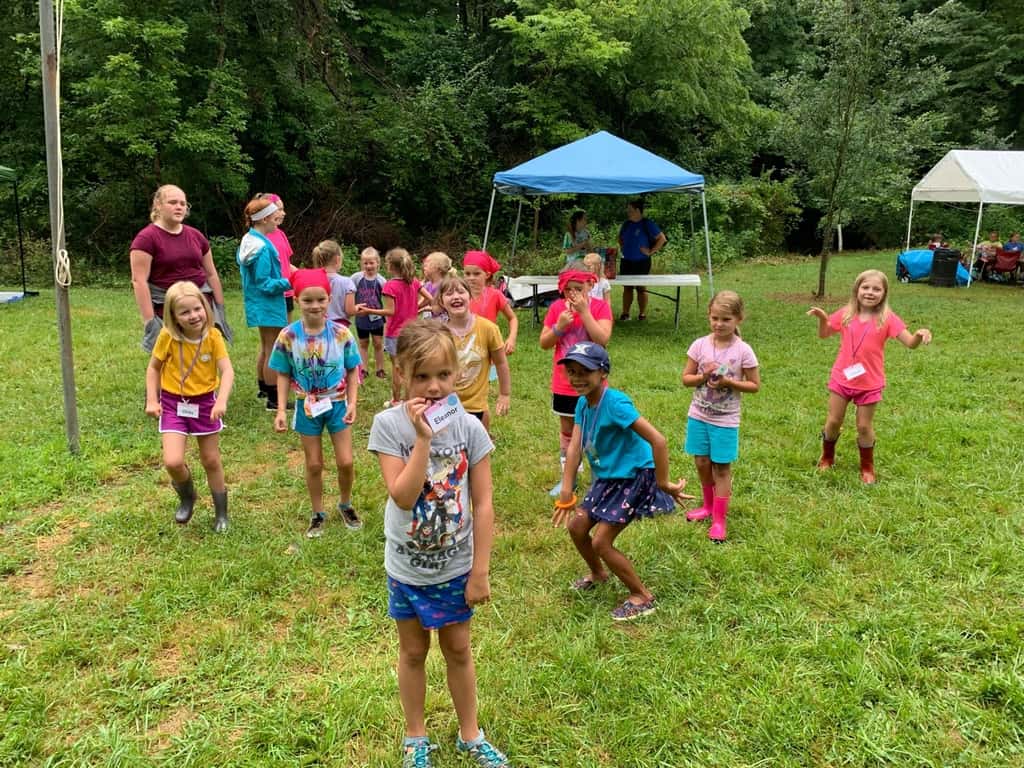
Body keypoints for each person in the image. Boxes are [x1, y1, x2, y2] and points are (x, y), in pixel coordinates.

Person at [367, 319, 510, 768]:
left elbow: (484, 504)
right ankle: (416, 736)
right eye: (421, 376)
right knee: (412, 651)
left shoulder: (470, 429)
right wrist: (424, 441)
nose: (433, 387)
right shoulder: (389, 426)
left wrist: (480, 570)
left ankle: (471, 734)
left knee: (459, 649)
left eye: (442, 375)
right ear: (401, 372)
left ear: (458, 375)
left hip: (455, 567)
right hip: (408, 567)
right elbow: (403, 494)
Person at [553, 342, 691, 621]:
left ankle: (642, 596)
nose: (577, 378)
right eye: (571, 371)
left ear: (603, 373)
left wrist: (663, 483)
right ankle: (598, 574)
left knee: (601, 542)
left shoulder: (615, 403)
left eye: (584, 372)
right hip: (606, 477)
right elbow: (575, 448)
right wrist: (566, 491)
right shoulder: (582, 403)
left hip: (633, 477)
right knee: (578, 528)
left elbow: (658, 440)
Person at [807, 270, 932, 484]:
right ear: (857, 290)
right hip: (842, 378)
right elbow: (824, 334)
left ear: (884, 293)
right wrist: (822, 319)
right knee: (834, 420)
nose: (870, 292)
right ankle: (827, 457)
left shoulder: (888, 319)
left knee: (864, 426)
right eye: (865, 288)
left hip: (870, 382)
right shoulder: (846, 313)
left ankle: (867, 467)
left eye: (876, 289)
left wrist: (920, 335)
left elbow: (910, 344)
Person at [270, 269, 363, 538]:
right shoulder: (288, 336)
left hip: (337, 405)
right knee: (314, 464)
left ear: (329, 298)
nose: (315, 306)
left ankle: (345, 504)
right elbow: (283, 373)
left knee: (345, 461)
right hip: (306, 407)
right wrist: (280, 410)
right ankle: (317, 513)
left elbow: (353, 369)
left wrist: (353, 403)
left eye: (320, 300)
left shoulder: (341, 334)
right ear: (297, 299)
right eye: (307, 300)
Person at [144, 281, 234, 532]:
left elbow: (226, 371)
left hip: (205, 404)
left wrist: (222, 400)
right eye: (184, 312)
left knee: (211, 459)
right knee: (173, 461)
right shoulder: (167, 337)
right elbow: (153, 368)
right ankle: (187, 495)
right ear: (173, 316)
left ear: (205, 308)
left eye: (197, 309)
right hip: (174, 404)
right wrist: (152, 399)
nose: (193, 316)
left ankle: (221, 513)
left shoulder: (213, 337)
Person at [681, 291, 761, 542]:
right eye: (714, 318)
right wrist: (704, 377)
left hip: (725, 420)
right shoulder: (699, 345)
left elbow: (754, 385)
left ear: (739, 319)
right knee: (702, 463)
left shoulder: (743, 351)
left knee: (722, 468)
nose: (719, 324)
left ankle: (719, 519)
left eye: (726, 319)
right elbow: (686, 379)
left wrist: (728, 382)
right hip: (699, 415)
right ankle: (706, 506)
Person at [539, 264, 613, 496]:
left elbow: (602, 339)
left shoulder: (600, 308)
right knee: (567, 429)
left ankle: (599, 477)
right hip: (564, 383)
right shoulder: (556, 309)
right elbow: (544, 343)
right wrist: (559, 327)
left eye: (578, 288)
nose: (573, 294)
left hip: (593, 383)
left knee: (596, 429)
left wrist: (585, 314)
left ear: (590, 285)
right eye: (568, 289)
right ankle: (568, 477)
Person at [130, 185, 228, 352]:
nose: (179, 207)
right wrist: (149, 320)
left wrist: (219, 308)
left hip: (201, 308)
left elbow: (211, 273)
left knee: (205, 358)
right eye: (173, 202)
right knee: (174, 362)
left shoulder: (196, 235)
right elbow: (139, 281)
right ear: (158, 205)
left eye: (183, 204)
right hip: (168, 310)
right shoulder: (146, 238)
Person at [236, 196, 291, 412]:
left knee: (267, 346)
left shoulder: (250, 239)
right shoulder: (263, 248)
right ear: (265, 218)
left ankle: (267, 391)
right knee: (272, 349)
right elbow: (265, 283)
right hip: (267, 303)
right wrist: (290, 282)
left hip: (259, 304)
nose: (278, 218)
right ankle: (275, 399)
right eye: (275, 215)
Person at [436, 275, 511, 427]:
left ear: (470, 296)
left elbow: (501, 363)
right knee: (447, 448)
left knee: (477, 449)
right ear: (441, 301)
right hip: (443, 404)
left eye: (461, 292)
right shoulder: (437, 332)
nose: (456, 297)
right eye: (449, 293)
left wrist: (504, 394)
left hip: (476, 406)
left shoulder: (488, 329)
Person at [375, 248, 432, 407]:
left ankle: (396, 400)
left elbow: (390, 311)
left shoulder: (390, 286)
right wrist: (417, 307)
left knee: (397, 368)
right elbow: (430, 298)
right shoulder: (413, 282)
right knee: (411, 366)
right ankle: (410, 398)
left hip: (395, 333)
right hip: (413, 332)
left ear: (390, 266)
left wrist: (368, 311)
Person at [617, 199, 666, 321]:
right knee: (627, 287)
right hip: (626, 260)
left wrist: (650, 251)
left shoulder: (647, 223)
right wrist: (623, 247)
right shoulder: (626, 224)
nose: (628, 213)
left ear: (638, 210)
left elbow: (662, 239)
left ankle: (642, 314)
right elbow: (619, 238)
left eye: (630, 210)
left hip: (642, 261)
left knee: (641, 288)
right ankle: (625, 313)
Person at [463, 250, 518, 357]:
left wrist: (511, 339)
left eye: (476, 273)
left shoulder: (495, 295)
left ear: (487, 275)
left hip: (489, 350)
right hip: (464, 350)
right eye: (467, 274)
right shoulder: (459, 295)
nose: (471, 278)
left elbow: (513, 318)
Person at [351, 247, 388, 382]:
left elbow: (388, 297)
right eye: (365, 263)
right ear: (362, 264)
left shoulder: (381, 280)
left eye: (371, 263)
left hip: (377, 317)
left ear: (378, 263)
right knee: (363, 343)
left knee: (378, 343)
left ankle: (380, 369)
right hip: (361, 317)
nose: (368, 266)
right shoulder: (356, 278)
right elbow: (349, 292)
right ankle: (364, 369)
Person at [258, 193, 296, 319]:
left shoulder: (281, 234)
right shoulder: (260, 237)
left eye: (283, 209)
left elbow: (286, 263)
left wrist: (304, 275)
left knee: (287, 334)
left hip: (287, 292)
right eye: (279, 210)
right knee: (272, 336)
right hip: (271, 292)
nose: (283, 213)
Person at [311, 240, 356, 327]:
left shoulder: (312, 280)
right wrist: (357, 308)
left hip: (317, 325)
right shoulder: (347, 282)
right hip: (340, 328)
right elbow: (350, 311)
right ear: (337, 259)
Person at [421, 251, 457, 318]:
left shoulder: (445, 285)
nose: (424, 266)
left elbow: (438, 310)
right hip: (429, 319)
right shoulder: (428, 285)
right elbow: (423, 301)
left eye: (428, 264)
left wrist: (423, 309)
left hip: (442, 322)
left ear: (439, 269)